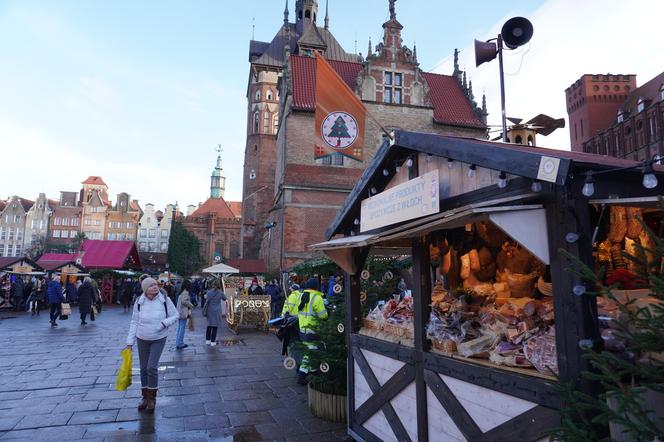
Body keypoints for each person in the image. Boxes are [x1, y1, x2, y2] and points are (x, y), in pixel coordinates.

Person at [125, 277, 178, 413]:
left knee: (151, 367)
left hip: (159, 338)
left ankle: (152, 399)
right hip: (142, 338)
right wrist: (129, 342)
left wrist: (164, 323)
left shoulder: (164, 299)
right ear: (145, 289)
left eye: (155, 284)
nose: (154, 287)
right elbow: (134, 322)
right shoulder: (139, 301)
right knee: (143, 368)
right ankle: (144, 397)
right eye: (151, 286)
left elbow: (175, 315)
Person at [296, 278, 328, 384]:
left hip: (302, 329)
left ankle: (314, 372)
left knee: (311, 351)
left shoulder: (300, 295)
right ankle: (302, 374)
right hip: (313, 330)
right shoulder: (317, 298)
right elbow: (323, 315)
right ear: (316, 287)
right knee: (310, 352)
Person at [202, 279, 226, 346]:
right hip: (217, 311)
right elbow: (225, 298)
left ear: (212, 284)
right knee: (215, 326)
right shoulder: (220, 293)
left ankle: (207, 340)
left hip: (210, 310)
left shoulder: (209, 292)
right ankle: (213, 342)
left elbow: (206, 298)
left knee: (209, 325)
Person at [175, 280, 194, 350]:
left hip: (180, 312)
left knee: (180, 328)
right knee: (182, 328)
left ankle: (178, 342)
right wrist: (191, 305)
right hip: (183, 312)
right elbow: (184, 301)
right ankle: (180, 343)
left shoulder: (182, 292)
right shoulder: (186, 292)